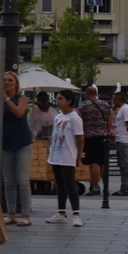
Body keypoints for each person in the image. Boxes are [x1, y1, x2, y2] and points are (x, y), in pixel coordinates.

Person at [47, 90, 85, 227]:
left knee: (70, 185)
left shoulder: (75, 118)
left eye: (60, 98)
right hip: (56, 154)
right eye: (57, 98)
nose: (58, 101)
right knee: (60, 184)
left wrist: (79, 155)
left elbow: (80, 138)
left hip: (68, 155)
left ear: (69, 101)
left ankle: (76, 214)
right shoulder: (58, 117)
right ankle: (61, 213)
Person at [1, 72, 33, 226]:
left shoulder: (21, 98)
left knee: (22, 179)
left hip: (22, 143)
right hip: (5, 143)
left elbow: (19, 113)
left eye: (10, 80)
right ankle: (11, 213)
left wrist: (6, 99)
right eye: (4, 80)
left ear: (16, 83)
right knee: (8, 181)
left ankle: (26, 214)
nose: (7, 82)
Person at [78, 86, 111, 196]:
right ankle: (106, 186)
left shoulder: (83, 106)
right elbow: (110, 118)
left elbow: (78, 121)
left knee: (93, 163)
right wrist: (108, 131)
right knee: (103, 162)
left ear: (87, 94)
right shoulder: (105, 104)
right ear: (96, 93)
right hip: (103, 136)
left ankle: (96, 187)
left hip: (90, 137)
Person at [109, 91, 128, 196]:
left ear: (119, 99)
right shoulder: (123, 109)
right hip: (121, 139)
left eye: (114, 99)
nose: (113, 100)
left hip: (124, 140)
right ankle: (125, 186)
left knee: (126, 165)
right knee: (123, 165)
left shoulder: (125, 109)